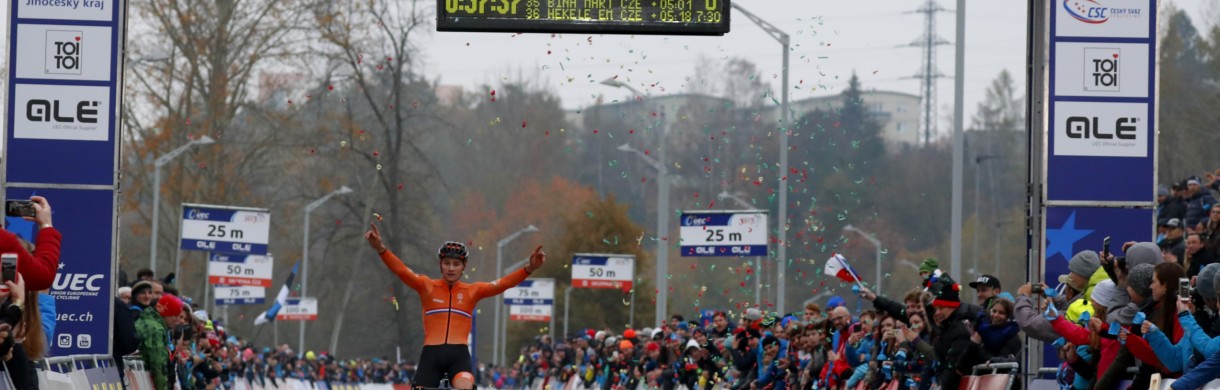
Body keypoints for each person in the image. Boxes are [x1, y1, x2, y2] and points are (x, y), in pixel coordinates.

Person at [365, 223, 545, 389]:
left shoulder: (472, 291)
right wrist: (381, 248)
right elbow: (402, 271)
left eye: (456, 264)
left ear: (463, 267)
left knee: (465, 388)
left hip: (458, 357)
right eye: (447, 263)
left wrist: (528, 268)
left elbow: (503, 284)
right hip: (431, 356)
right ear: (440, 265)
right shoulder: (427, 286)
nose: (451, 268)